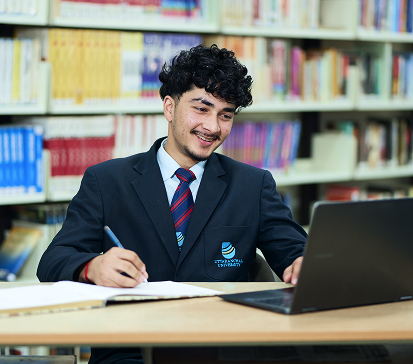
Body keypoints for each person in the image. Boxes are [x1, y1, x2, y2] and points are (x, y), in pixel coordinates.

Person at [37, 44, 307, 364]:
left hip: (223, 349)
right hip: (131, 349)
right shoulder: (107, 180)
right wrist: (91, 267)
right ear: (169, 106)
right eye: (202, 108)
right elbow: (53, 261)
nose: (212, 127)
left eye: (226, 114)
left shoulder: (253, 185)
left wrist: (306, 265)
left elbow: (297, 254)